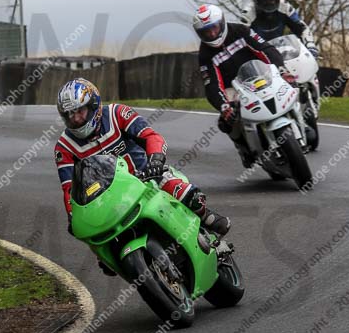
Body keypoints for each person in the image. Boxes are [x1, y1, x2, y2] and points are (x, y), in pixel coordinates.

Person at [54, 78, 231, 274]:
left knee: (180, 191)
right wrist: (72, 216)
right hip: (108, 199)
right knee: (101, 252)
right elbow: (69, 188)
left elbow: (151, 136)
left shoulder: (116, 114)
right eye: (69, 115)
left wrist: (155, 160)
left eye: (80, 111)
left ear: (94, 105)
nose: (76, 119)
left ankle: (206, 218)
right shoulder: (64, 147)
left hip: (146, 176)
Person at [193, 3, 288, 168]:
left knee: (290, 83)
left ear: (222, 22)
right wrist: (224, 106)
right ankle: (244, 148)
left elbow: (265, 48)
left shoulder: (241, 30)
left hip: (260, 73)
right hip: (234, 87)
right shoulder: (205, 55)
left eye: (214, 28)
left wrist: (281, 68)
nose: (212, 33)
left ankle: (302, 120)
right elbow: (211, 85)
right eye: (206, 32)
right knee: (227, 119)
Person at [242, 0, 319, 57]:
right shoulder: (248, 13)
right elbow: (241, 37)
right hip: (258, 55)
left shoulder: (285, 7)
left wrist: (310, 45)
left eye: (272, 1)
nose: (269, 4)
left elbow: (302, 28)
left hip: (281, 51)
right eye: (265, 2)